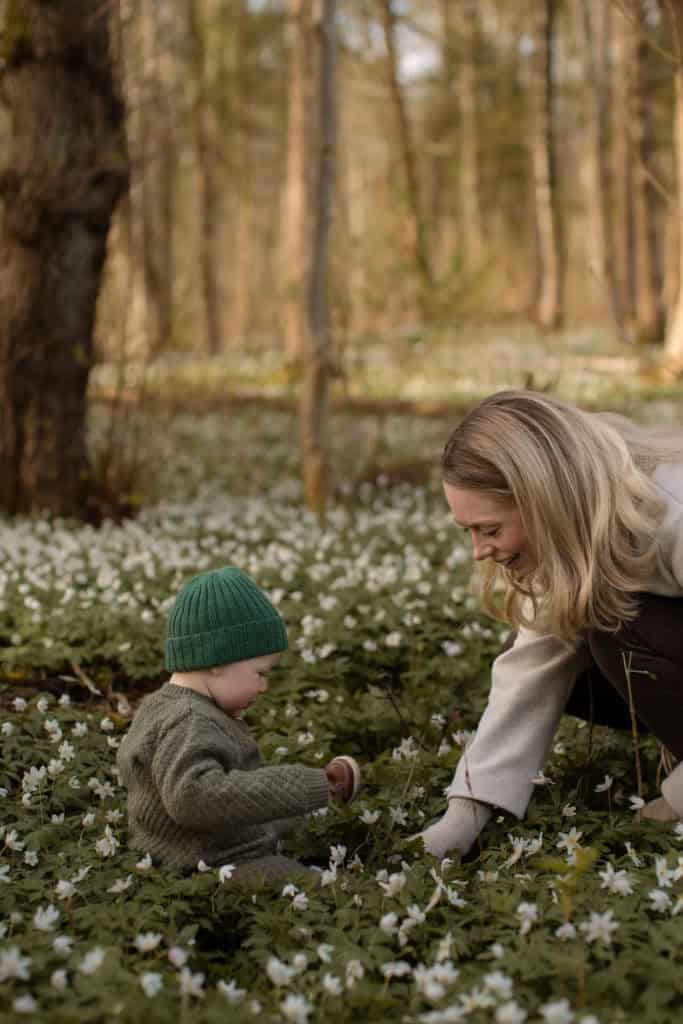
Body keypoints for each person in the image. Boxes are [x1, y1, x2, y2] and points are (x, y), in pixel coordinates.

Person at [418, 390, 683, 859]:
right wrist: (464, 815)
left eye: (491, 530)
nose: (479, 552)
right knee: (563, 631)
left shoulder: (672, 510)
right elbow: (530, 671)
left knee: (617, 627)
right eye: (470, 532)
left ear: (543, 501)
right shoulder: (574, 527)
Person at [117, 566, 361, 883]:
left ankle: (325, 806)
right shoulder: (188, 719)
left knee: (308, 827)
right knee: (307, 885)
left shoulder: (166, 705)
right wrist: (309, 784)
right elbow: (193, 798)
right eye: (259, 673)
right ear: (217, 662)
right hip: (204, 866)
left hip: (210, 844)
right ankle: (363, 891)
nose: (263, 687)